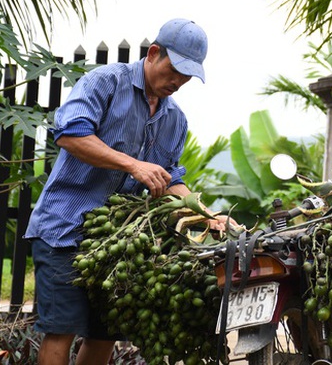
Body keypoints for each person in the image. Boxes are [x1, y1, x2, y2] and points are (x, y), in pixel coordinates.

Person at [24, 18, 233, 365]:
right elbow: (70, 135)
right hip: (64, 229)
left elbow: (171, 180)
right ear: (153, 53)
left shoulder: (175, 119)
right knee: (61, 330)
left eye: (187, 76)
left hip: (116, 244)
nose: (178, 82)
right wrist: (133, 165)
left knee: (104, 336)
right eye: (175, 70)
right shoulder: (105, 82)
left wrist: (208, 215)